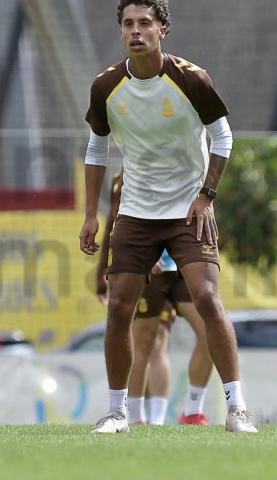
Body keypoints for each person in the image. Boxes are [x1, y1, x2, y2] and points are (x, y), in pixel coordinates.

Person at [79, 0, 257, 433]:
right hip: (136, 213)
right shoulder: (106, 86)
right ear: (120, 32)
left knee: (209, 300)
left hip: (187, 212)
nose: (135, 32)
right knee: (118, 306)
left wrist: (206, 196)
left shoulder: (191, 78)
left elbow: (224, 138)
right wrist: (90, 215)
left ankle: (237, 408)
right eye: (128, 24)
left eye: (144, 23)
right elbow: (95, 150)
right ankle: (118, 412)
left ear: (163, 29)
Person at [97, 172, 212, 426]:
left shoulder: (193, 164)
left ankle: (192, 410)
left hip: (184, 267)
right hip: (151, 268)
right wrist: (104, 272)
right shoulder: (128, 174)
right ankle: (138, 418)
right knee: (149, 342)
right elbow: (114, 223)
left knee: (209, 330)